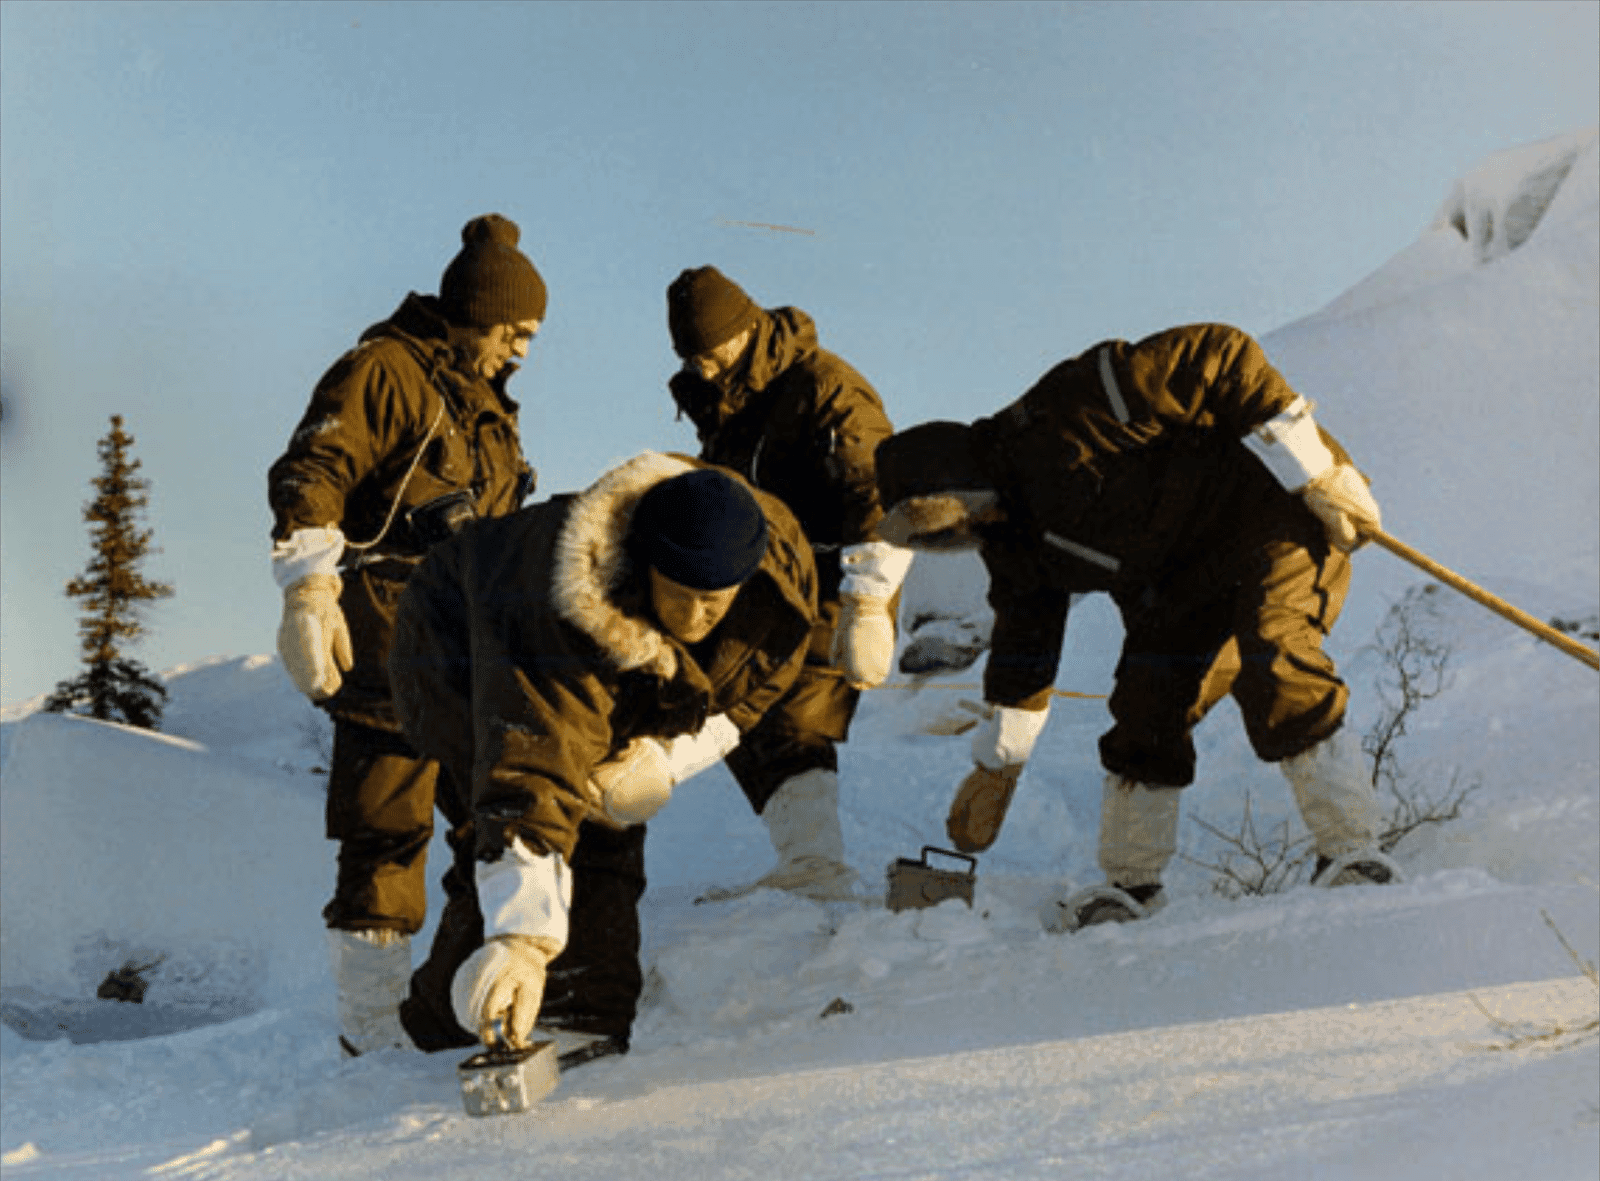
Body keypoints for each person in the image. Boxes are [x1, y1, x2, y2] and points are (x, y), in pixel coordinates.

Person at [871, 322, 1401, 930]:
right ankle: (1132, 886)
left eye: (955, 520)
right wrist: (998, 766)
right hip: (1178, 577)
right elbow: (1025, 651)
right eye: (946, 537)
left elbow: (1219, 352)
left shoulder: (1069, 412)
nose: (966, 535)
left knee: (1274, 649)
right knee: (1147, 702)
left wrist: (1316, 473)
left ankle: (1352, 850)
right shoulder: (1011, 545)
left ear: (960, 489)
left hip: (1272, 510)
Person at [385, 455, 818, 1057]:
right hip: (460, 648)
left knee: (608, 821)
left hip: (606, 653)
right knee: (521, 826)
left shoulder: (779, 574)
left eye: (713, 603)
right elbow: (531, 771)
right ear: (645, 564)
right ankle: (453, 1018)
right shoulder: (564, 601)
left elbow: (760, 684)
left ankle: (585, 1019)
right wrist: (521, 939)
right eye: (680, 595)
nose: (695, 617)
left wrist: (667, 757)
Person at [267, 214, 545, 1054]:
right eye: (514, 331)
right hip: (387, 651)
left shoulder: (486, 406)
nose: (522, 350)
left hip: (472, 654)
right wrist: (309, 588)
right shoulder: (383, 371)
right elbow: (313, 469)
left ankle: (450, 1007)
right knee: (385, 836)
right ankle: (371, 1032)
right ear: (476, 312)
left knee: (496, 829)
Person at [664, 266, 913, 902]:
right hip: (763, 586)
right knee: (735, 706)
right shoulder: (730, 405)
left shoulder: (824, 385)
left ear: (744, 329)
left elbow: (874, 485)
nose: (702, 368)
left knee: (800, 712)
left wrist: (869, 600)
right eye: (690, 358)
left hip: (837, 579)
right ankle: (807, 861)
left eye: (710, 351)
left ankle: (817, 866)